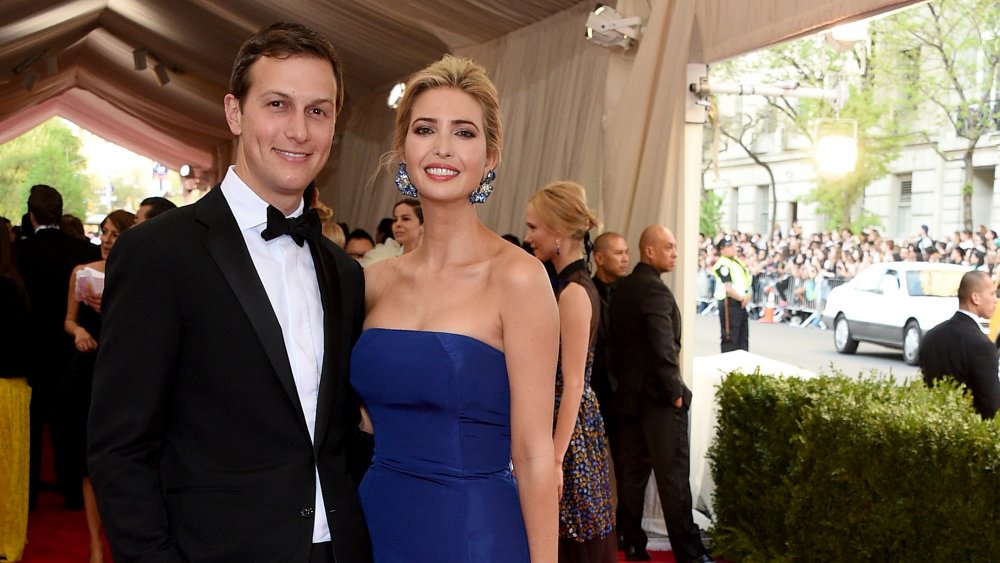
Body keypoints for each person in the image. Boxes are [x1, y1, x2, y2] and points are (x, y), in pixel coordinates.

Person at [87, 22, 372, 562]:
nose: (299, 130)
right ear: (235, 112)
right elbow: (120, 447)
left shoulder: (344, 271)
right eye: (278, 104)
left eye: (318, 110)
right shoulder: (159, 254)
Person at [350, 54, 559, 562]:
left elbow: (534, 456)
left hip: (475, 534)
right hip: (375, 523)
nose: (443, 147)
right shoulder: (371, 282)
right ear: (403, 149)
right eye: (426, 129)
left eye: (464, 132)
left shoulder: (518, 278)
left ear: (490, 157)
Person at [607, 226, 713, 563]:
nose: (675, 253)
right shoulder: (655, 292)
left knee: (632, 478)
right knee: (673, 480)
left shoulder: (621, 289)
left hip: (628, 401)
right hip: (657, 401)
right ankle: (690, 554)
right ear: (649, 251)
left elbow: (613, 348)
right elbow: (661, 346)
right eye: (668, 247)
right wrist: (675, 392)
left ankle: (634, 544)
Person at [524, 181, 616, 562]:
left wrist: (556, 460)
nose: (528, 237)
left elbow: (575, 382)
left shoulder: (574, 292)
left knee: (574, 540)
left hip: (572, 432)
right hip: (568, 425)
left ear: (558, 233)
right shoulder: (568, 285)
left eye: (533, 227)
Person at [15, 184, 101, 510]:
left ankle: (29, 493)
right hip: (73, 349)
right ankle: (73, 491)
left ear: (31, 213)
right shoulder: (82, 250)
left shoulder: (18, 251)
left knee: (31, 425)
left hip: (31, 350)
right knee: (72, 424)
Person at [63, 209, 135, 563]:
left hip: (123, 372)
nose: (107, 239)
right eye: (104, 232)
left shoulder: (135, 277)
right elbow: (68, 320)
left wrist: (107, 310)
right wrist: (78, 332)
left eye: (115, 234)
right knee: (88, 462)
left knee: (120, 460)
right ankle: (95, 544)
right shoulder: (81, 271)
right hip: (86, 368)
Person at [920, 270, 1000, 419]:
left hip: (931, 427)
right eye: (992, 293)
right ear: (975, 297)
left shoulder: (930, 336)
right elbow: (991, 406)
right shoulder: (983, 346)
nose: (996, 299)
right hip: (968, 432)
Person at [0, 220, 31, 563]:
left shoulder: (8, 287)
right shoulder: (15, 285)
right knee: (10, 470)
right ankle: (8, 541)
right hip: (14, 385)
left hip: (6, 385)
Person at [590, 231, 629, 427]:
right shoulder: (586, 291)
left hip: (626, 391)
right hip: (595, 386)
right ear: (599, 258)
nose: (625, 259)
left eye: (626, 252)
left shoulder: (632, 292)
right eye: (619, 253)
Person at [712, 234, 751, 352]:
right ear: (722, 249)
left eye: (733, 245)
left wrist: (747, 296)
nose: (734, 248)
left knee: (743, 337)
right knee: (731, 337)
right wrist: (741, 298)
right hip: (730, 302)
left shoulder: (737, 262)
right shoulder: (723, 264)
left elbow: (745, 281)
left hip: (741, 302)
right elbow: (728, 287)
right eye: (730, 246)